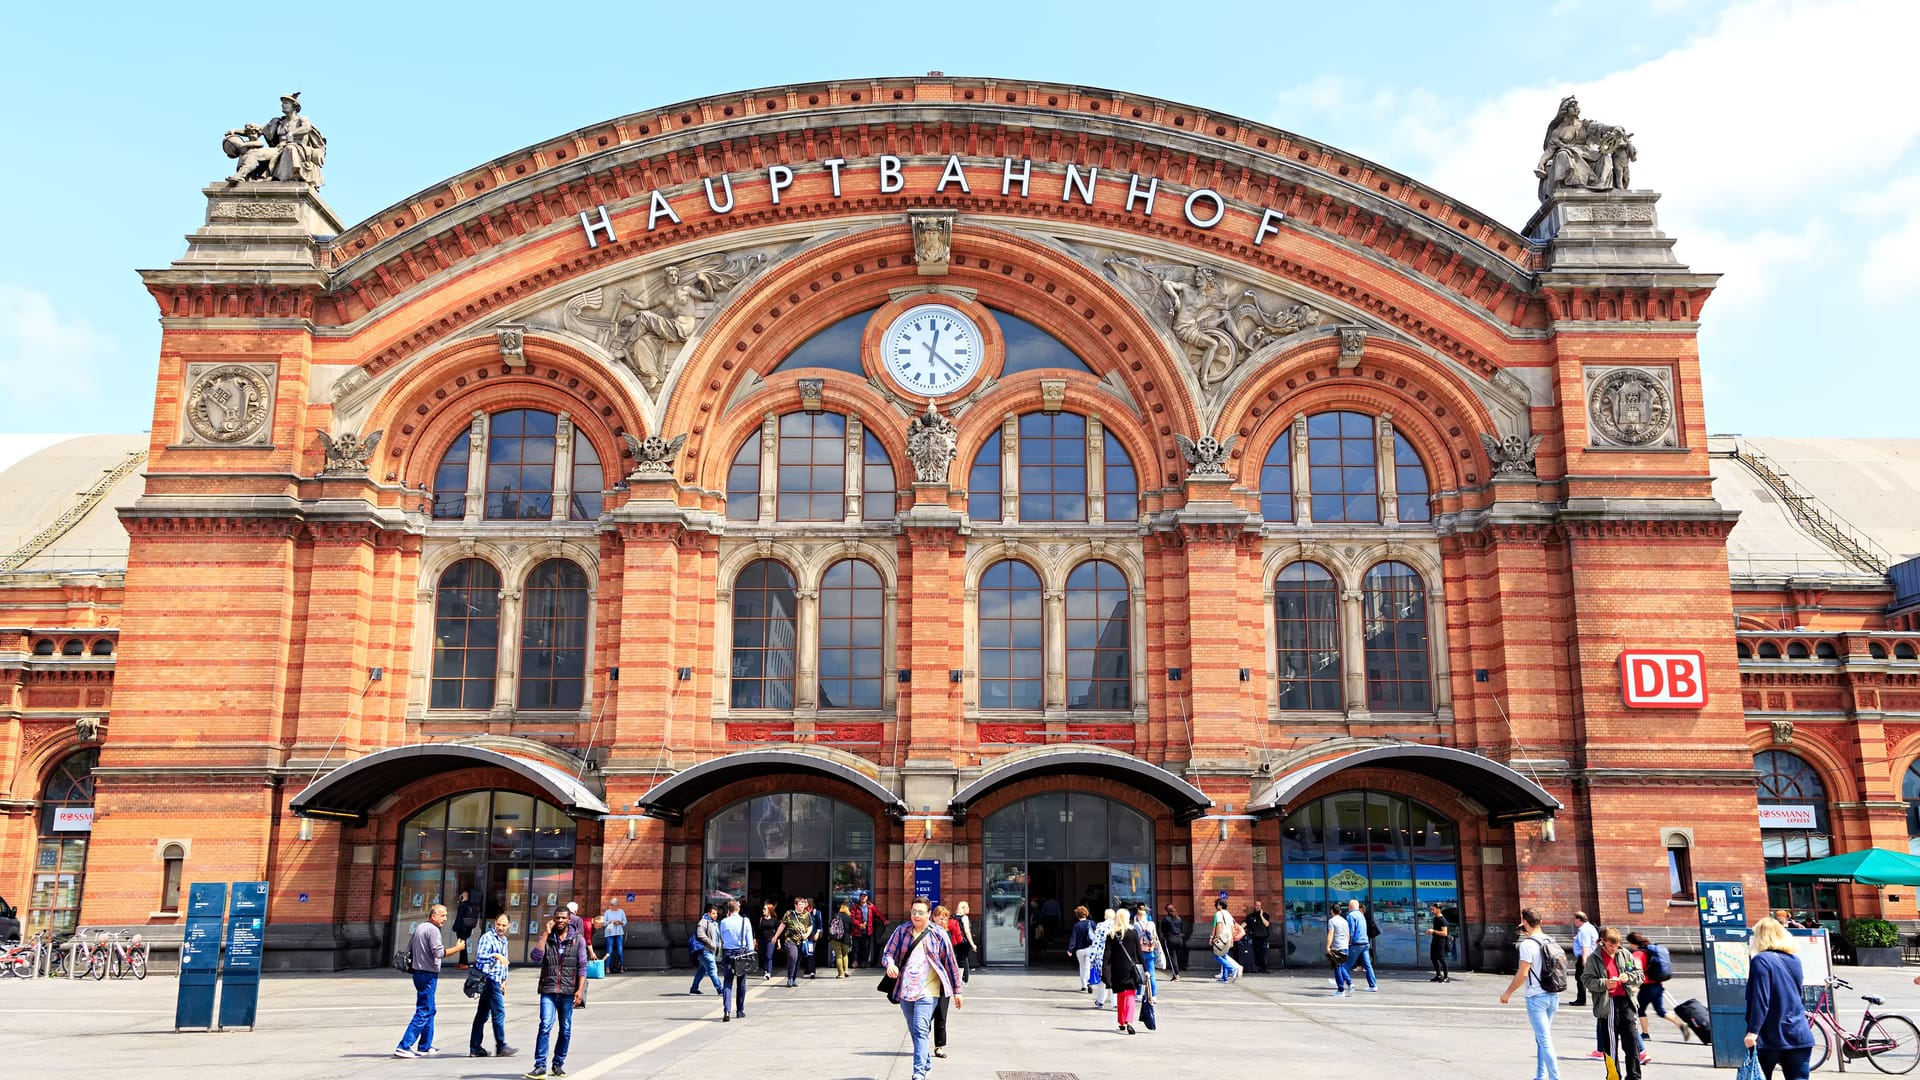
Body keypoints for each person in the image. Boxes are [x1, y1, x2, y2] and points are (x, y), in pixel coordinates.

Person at [882, 899, 965, 1080]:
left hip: (929, 991)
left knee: (920, 1029)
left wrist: (957, 990)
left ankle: (918, 1073)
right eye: (913, 912)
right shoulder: (901, 931)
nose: (916, 916)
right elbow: (888, 952)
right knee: (914, 1030)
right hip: (905, 990)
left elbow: (950, 963)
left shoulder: (939, 934)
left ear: (929, 914)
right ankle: (926, 1062)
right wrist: (890, 964)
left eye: (920, 912)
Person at [1746, 917, 1814, 1079]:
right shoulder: (1794, 960)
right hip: (1798, 1032)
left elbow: (1761, 999)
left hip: (1770, 1035)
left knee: (1759, 1076)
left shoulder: (1761, 960)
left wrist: (1753, 1031)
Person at [395, 902, 465, 1057]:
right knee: (424, 1010)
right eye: (443, 915)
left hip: (419, 972)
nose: (445, 918)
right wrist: (458, 949)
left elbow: (412, 948)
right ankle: (404, 1045)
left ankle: (425, 1045)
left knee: (430, 1010)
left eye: (446, 915)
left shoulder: (420, 927)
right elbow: (439, 953)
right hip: (427, 974)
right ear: (433, 916)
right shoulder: (433, 930)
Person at [1499, 907, 1562, 1080]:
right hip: (1553, 993)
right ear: (1541, 922)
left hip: (1536, 996)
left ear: (1525, 922)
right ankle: (1540, 1075)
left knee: (1544, 1040)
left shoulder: (1527, 945)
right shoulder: (1550, 939)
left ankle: (1555, 1077)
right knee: (1542, 1038)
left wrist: (1508, 993)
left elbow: (1523, 973)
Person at [525, 908, 587, 1080]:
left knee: (565, 1028)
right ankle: (540, 1066)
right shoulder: (549, 937)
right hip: (549, 989)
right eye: (557, 917)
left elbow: (582, 966)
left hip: (568, 991)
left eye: (563, 918)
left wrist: (579, 990)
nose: (560, 920)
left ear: (569, 920)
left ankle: (558, 1064)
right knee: (545, 1025)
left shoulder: (578, 940)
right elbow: (536, 957)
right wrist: (545, 933)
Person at [1583, 927, 1644, 1080]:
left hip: (1626, 1001)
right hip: (1607, 1003)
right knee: (1610, 1044)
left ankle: (1634, 1076)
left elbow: (1639, 975)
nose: (1613, 949)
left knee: (1632, 1041)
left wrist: (1627, 977)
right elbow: (1586, 980)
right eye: (1611, 946)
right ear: (1603, 942)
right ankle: (1613, 1076)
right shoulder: (1594, 958)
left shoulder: (1625, 954)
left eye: (1616, 946)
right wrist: (1604, 983)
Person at [469, 913, 518, 1059]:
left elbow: (505, 963)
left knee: (482, 1015)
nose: (501, 928)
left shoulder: (504, 940)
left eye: (504, 925)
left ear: (508, 926)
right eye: (499, 924)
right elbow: (480, 957)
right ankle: (501, 1046)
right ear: (494, 923)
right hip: (488, 979)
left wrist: (504, 981)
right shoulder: (487, 937)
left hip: (496, 980)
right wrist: (495, 955)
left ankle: (475, 1048)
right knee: (499, 1012)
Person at [1627, 931, 1687, 1042]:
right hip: (1658, 985)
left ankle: (1645, 1034)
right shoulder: (1650, 952)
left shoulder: (1638, 954)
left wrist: (1636, 985)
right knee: (1660, 1010)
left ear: (1632, 943)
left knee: (1640, 1010)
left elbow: (1638, 971)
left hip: (1647, 987)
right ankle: (1681, 1025)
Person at [1103, 908, 1146, 1035]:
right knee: (1130, 995)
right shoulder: (1133, 933)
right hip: (1130, 968)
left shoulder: (1111, 934)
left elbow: (1107, 955)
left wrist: (1105, 971)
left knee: (1121, 995)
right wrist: (1146, 969)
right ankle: (1129, 1021)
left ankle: (1121, 1022)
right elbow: (1139, 953)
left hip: (1117, 969)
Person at [717, 898, 755, 1022]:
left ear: (729, 910)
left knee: (727, 981)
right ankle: (740, 1010)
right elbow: (749, 940)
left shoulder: (723, 922)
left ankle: (727, 1010)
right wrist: (750, 952)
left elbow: (722, 937)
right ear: (738, 909)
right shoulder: (745, 921)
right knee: (741, 982)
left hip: (728, 952)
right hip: (741, 952)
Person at [932, 906, 956, 1059]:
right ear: (933, 918)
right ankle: (920, 1043)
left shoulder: (947, 934)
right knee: (924, 1017)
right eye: (940, 917)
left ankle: (939, 1046)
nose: (943, 920)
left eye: (945, 918)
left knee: (941, 1014)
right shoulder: (927, 933)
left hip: (943, 983)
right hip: (927, 982)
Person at [689, 903, 723, 996]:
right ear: (708, 913)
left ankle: (694, 988)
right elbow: (700, 935)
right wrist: (710, 943)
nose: (715, 915)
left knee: (702, 970)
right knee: (713, 970)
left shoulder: (714, 923)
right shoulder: (703, 922)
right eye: (713, 913)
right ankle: (720, 989)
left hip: (710, 950)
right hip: (705, 950)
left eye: (716, 913)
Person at [778, 897, 813, 987]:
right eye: (800, 905)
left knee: (797, 960)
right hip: (790, 940)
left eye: (803, 905)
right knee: (793, 957)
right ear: (795, 905)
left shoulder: (807, 914)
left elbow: (810, 926)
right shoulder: (789, 914)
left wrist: (807, 934)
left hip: (801, 941)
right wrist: (776, 936)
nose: (802, 907)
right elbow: (782, 925)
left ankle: (793, 979)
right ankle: (789, 978)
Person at [1132, 903, 1160, 1001]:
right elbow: (1155, 937)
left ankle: (1139, 994)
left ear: (1138, 916)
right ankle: (1153, 995)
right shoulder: (1152, 924)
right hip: (1150, 951)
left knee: (1140, 973)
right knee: (1151, 973)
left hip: (1139, 952)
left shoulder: (1136, 924)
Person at [1068, 905, 1098, 995]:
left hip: (1079, 950)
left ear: (1077, 915)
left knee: (1082, 966)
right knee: (1088, 966)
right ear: (1086, 913)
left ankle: (1084, 986)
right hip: (1090, 948)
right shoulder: (1092, 923)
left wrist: (1070, 949)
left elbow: (1073, 938)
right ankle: (1089, 982)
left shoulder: (1076, 926)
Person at [1213, 898, 1244, 981]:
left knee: (1217, 956)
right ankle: (1224, 977)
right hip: (1229, 937)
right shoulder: (1229, 914)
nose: (1216, 906)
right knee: (1223, 955)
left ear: (1220, 905)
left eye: (1217, 904)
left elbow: (1219, 925)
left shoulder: (1219, 913)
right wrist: (1232, 939)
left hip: (1222, 937)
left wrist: (1216, 937)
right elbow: (1232, 927)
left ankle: (1232, 969)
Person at [1571, 912, 1598, 1007]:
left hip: (1585, 956)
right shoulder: (1590, 927)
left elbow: (1585, 945)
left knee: (1580, 978)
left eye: (1575, 919)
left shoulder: (1583, 930)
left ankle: (1581, 999)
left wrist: (1584, 959)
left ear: (1579, 919)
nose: (1574, 921)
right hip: (1591, 956)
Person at [1325, 902, 1352, 996]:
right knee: (1341, 967)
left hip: (1337, 947)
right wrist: (1347, 944)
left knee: (1337, 968)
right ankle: (1349, 983)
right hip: (1345, 947)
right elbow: (1348, 934)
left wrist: (1328, 946)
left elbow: (1331, 934)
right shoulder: (1344, 921)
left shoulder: (1332, 921)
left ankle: (1341, 990)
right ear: (1340, 911)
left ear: (1332, 911)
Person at [452, 890, 481, 965]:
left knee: (462, 946)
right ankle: (462, 962)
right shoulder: (471, 905)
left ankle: (463, 963)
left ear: (462, 896)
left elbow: (459, 918)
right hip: (468, 928)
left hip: (462, 928)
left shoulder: (462, 906)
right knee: (463, 945)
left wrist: (455, 927)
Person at [952, 900, 978, 982]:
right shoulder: (964, 917)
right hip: (963, 942)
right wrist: (972, 943)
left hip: (954, 941)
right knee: (962, 960)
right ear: (962, 908)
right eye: (967, 907)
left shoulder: (952, 916)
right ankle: (959, 979)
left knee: (955, 959)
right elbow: (967, 931)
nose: (969, 909)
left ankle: (954, 977)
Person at [1245, 900, 1273, 974]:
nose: (1258, 907)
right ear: (1254, 906)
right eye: (1257, 905)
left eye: (1259, 905)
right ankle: (1257, 967)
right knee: (1256, 953)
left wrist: (1261, 915)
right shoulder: (1250, 916)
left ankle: (1265, 968)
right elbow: (1245, 924)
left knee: (1263, 953)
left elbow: (1267, 924)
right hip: (1255, 937)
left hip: (1264, 937)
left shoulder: (1265, 915)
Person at [1426, 902, 1452, 982]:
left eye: (1433, 909)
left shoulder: (1442, 920)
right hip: (1434, 941)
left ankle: (1446, 977)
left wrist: (1433, 931)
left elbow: (1444, 933)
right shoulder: (1435, 919)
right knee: (1433, 958)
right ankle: (1438, 975)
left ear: (1438, 909)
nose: (1432, 911)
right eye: (1432, 909)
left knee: (1441, 959)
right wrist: (1432, 932)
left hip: (1441, 942)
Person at [601, 897, 627, 974]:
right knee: (609, 951)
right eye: (612, 905)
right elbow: (603, 923)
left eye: (615, 905)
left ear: (617, 905)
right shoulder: (607, 912)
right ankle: (607, 967)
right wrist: (610, 922)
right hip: (609, 933)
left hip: (619, 933)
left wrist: (619, 922)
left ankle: (621, 967)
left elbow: (625, 922)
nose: (613, 906)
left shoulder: (621, 911)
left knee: (620, 951)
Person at [756, 901, 780, 982]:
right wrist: (755, 940)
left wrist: (778, 941)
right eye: (763, 909)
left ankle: (768, 972)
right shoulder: (761, 919)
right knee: (762, 955)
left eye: (765, 909)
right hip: (762, 939)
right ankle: (765, 970)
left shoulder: (774, 920)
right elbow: (758, 930)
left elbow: (777, 930)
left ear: (769, 910)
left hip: (771, 940)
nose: (763, 910)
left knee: (768, 955)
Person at [829, 901, 854, 977]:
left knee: (838, 956)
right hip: (846, 939)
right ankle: (846, 971)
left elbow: (830, 926)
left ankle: (841, 974)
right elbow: (851, 929)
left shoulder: (835, 916)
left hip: (835, 938)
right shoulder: (848, 918)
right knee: (845, 955)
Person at [850, 892, 874, 969]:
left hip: (867, 931)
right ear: (859, 897)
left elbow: (878, 914)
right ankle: (855, 961)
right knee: (855, 947)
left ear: (867, 898)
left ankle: (864, 962)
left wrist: (884, 921)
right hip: (856, 931)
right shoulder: (855, 907)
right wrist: (859, 924)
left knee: (865, 947)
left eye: (865, 896)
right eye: (862, 896)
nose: (863, 898)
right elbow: (852, 918)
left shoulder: (870, 906)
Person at [1163, 903, 1186, 979]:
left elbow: (1163, 930)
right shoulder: (1179, 918)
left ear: (1167, 911)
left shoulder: (1166, 919)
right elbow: (1181, 929)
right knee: (1176, 957)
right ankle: (1176, 973)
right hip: (1179, 940)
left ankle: (1176, 974)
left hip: (1171, 940)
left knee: (1172, 957)